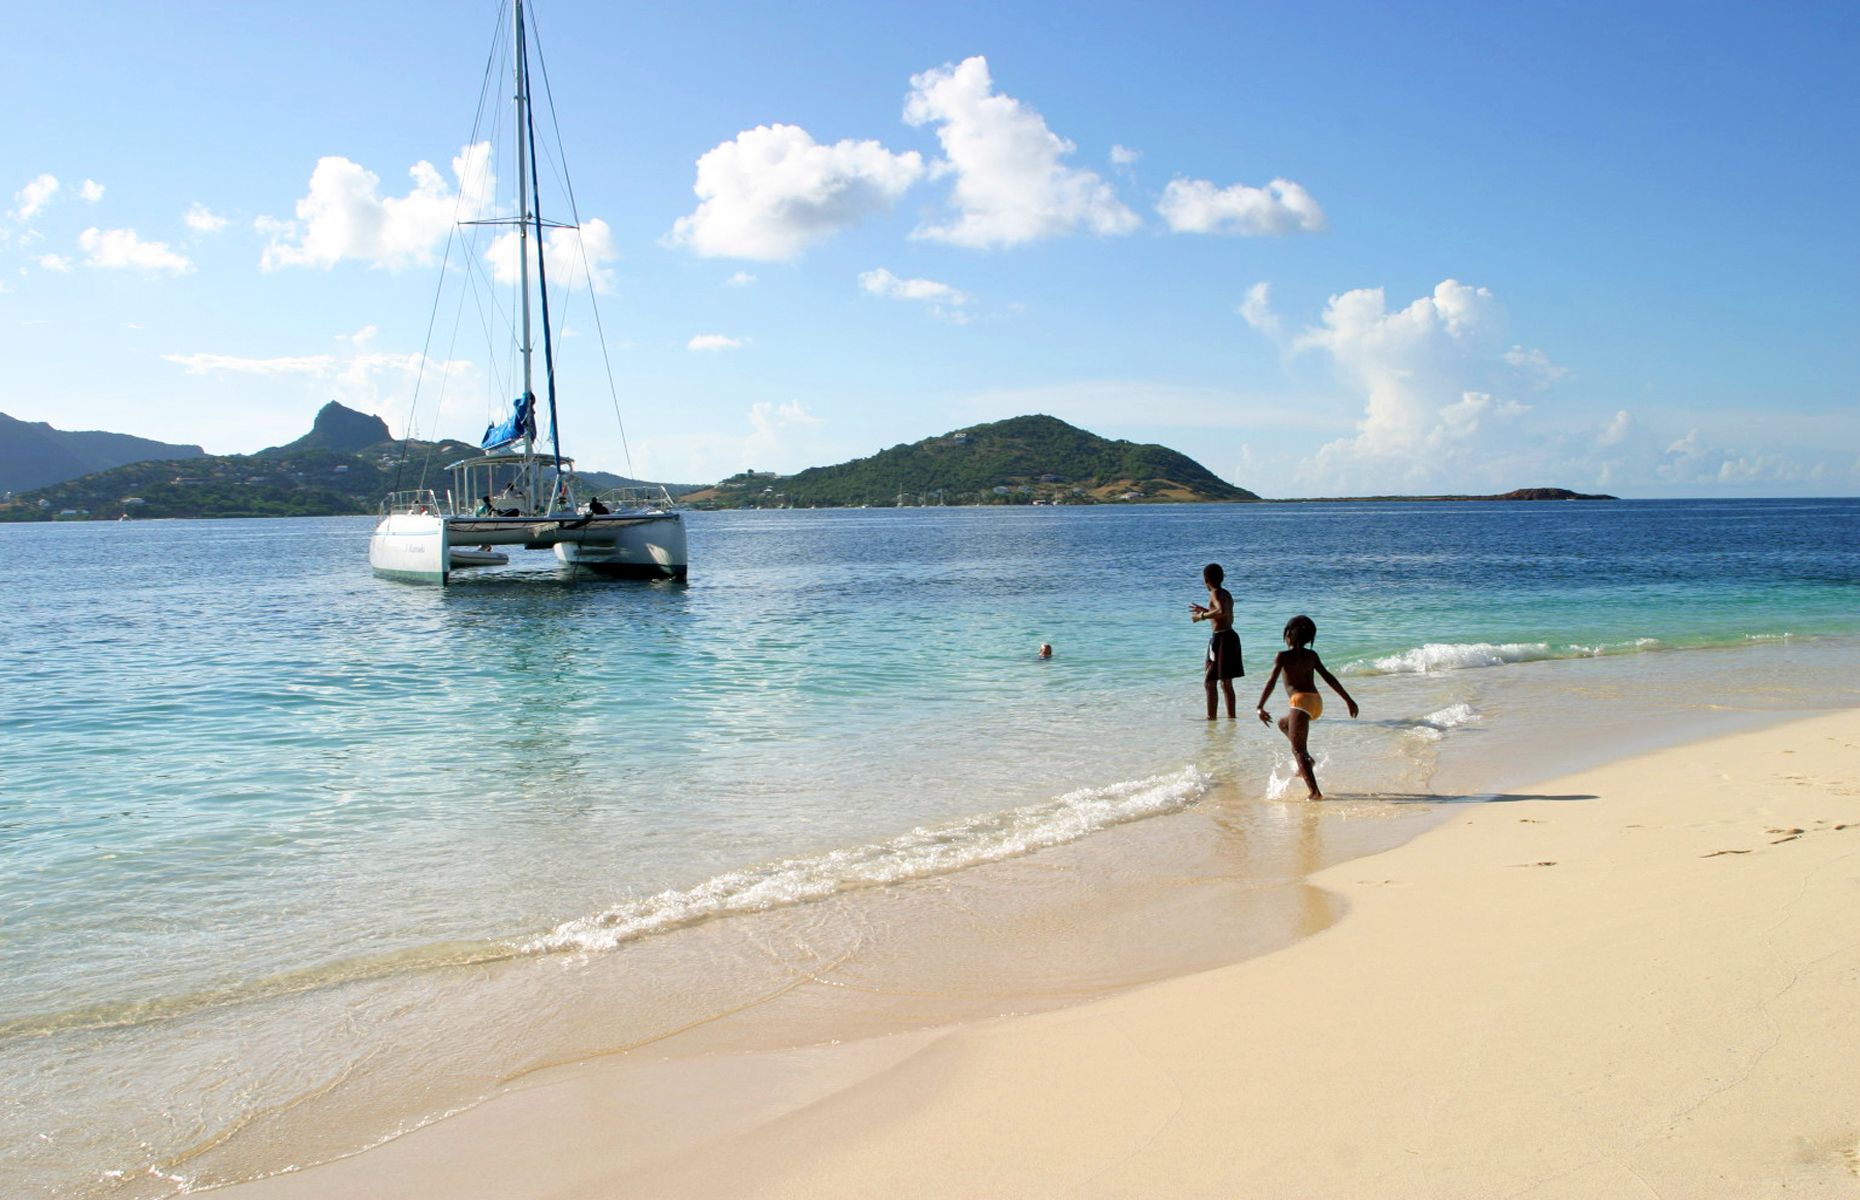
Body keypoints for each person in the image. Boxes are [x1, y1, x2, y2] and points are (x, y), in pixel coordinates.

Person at [1256, 615, 1358, 800]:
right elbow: (1328, 677)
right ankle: (1308, 760)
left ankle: (1315, 792)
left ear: (1287, 634)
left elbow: (1271, 681)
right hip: (1315, 702)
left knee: (1297, 751)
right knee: (1283, 724)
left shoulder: (1282, 656)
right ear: (1310, 639)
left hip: (1300, 702)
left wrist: (1260, 706)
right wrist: (1348, 700)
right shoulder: (1312, 655)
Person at [1188, 562, 1243, 719]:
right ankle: (1231, 718)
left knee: (1209, 681)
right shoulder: (1226, 593)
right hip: (1230, 636)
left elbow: (1221, 611)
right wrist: (1206, 610)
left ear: (1205, 579)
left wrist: (1201, 616)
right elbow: (1223, 613)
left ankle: (1211, 719)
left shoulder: (1214, 593)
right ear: (1222, 577)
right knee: (1226, 683)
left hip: (1221, 638)